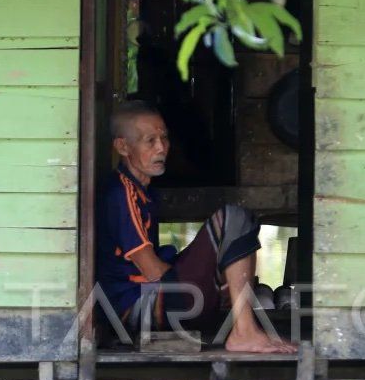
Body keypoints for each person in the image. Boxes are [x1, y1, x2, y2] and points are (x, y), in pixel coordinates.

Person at [96, 101, 296, 354]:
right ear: (123, 146)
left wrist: (213, 280)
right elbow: (151, 269)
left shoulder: (142, 191)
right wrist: (210, 280)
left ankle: (244, 327)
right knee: (233, 218)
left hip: (153, 304)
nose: (161, 147)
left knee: (229, 253)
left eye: (164, 138)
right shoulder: (120, 193)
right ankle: (245, 332)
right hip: (137, 310)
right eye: (150, 141)